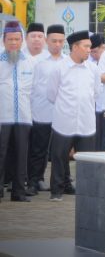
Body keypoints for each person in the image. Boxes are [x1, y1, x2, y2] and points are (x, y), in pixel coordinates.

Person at [47, 29, 98, 201]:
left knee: (86, 160)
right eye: (86, 46)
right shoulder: (59, 68)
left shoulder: (93, 69)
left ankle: (86, 192)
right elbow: (51, 94)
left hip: (86, 122)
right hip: (64, 121)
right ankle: (57, 191)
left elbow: (96, 93)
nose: (89, 50)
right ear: (75, 47)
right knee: (59, 157)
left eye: (90, 47)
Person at [27, 24, 64, 194]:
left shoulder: (67, 61)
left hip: (61, 114)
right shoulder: (36, 61)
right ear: (46, 41)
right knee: (38, 149)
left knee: (59, 151)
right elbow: (29, 88)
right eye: (54, 41)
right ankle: (34, 181)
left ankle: (61, 182)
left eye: (60, 41)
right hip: (40, 112)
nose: (57, 44)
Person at [1, 21, 34, 202]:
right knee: (1, 153)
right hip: (2, 116)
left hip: (23, 116)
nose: (13, 43)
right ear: (4, 40)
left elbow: (35, 90)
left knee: (22, 155)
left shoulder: (30, 62)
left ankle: (19, 192)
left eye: (17, 39)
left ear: (22, 40)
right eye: (10, 39)